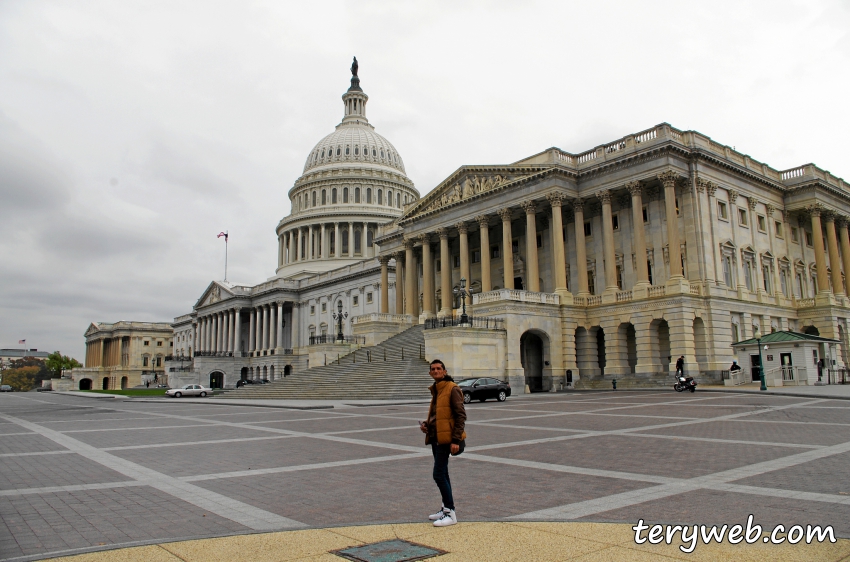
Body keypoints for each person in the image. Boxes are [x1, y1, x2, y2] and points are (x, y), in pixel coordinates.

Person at [419, 359, 466, 527]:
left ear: (444, 371)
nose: (436, 371)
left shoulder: (452, 388)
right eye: (433, 369)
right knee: (443, 473)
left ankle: (450, 512)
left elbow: (460, 416)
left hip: (447, 439)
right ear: (430, 373)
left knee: (438, 474)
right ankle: (445, 507)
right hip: (436, 436)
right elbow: (440, 415)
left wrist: (455, 439)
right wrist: (427, 425)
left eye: (439, 369)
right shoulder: (437, 389)